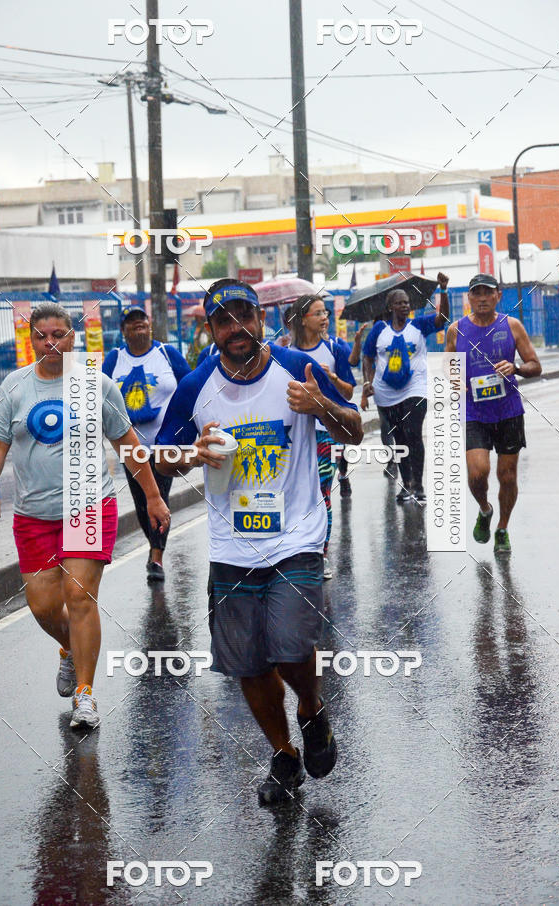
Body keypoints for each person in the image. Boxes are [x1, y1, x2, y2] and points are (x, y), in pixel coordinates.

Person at [153, 279, 363, 806]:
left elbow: (355, 429)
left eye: (244, 316)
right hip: (230, 547)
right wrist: (191, 455)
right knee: (248, 664)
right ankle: (284, 754)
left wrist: (321, 405)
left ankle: (311, 709)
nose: (236, 328)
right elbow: (161, 457)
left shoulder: (299, 368)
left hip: (297, 537)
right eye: (224, 320)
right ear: (210, 329)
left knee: (291, 646)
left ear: (260, 320)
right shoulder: (196, 386)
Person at [0, 302, 170, 730]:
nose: (50, 343)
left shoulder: (94, 384)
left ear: (73, 336)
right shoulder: (15, 385)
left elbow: (127, 442)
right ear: (31, 340)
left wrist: (153, 497)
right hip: (34, 515)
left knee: (79, 597)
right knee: (44, 607)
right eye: (41, 336)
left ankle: (85, 694)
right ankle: (70, 649)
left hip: (89, 505)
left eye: (59, 334)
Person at [445, 273, 541, 553]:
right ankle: (485, 509)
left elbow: (535, 365)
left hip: (508, 410)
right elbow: (449, 363)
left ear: (498, 295)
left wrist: (517, 368)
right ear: (469, 298)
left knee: (507, 476)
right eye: (476, 293)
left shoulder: (512, 326)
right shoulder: (456, 330)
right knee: (478, 473)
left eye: (488, 292)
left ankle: (502, 528)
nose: (482, 298)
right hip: (474, 411)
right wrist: (455, 380)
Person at [102, 303, 190, 581]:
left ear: (149, 325)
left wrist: (186, 426)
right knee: (141, 502)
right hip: (130, 447)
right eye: (131, 321)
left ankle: (156, 556)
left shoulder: (166, 354)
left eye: (142, 319)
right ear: (123, 330)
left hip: (165, 444)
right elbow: (98, 393)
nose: (138, 323)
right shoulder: (115, 359)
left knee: (159, 495)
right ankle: (154, 545)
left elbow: (190, 386)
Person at [361, 273, 450, 504]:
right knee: (399, 437)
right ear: (390, 307)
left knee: (413, 432)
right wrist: (367, 382)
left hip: (415, 388)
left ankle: (418, 485)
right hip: (386, 393)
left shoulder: (418, 325)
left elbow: (442, 318)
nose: (405, 306)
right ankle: (406, 483)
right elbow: (367, 357)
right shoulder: (379, 329)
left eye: (407, 303)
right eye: (400, 303)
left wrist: (443, 290)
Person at [287, 294, 356, 579]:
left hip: (326, 433)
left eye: (325, 312)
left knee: (322, 492)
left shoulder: (335, 348)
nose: (324, 317)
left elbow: (349, 393)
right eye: (317, 313)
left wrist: (332, 379)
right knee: (298, 493)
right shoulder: (286, 354)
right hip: (294, 436)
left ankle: (321, 554)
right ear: (303, 320)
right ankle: (294, 548)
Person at [350, 314, 398, 479]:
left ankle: (393, 462)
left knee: (388, 426)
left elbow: (368, 360)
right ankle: (396, 462)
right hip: (393, 386)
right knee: (392, 426)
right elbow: (368, 360)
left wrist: (365, 393)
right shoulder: (394, 326)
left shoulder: (381, 327)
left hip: (391, 387)